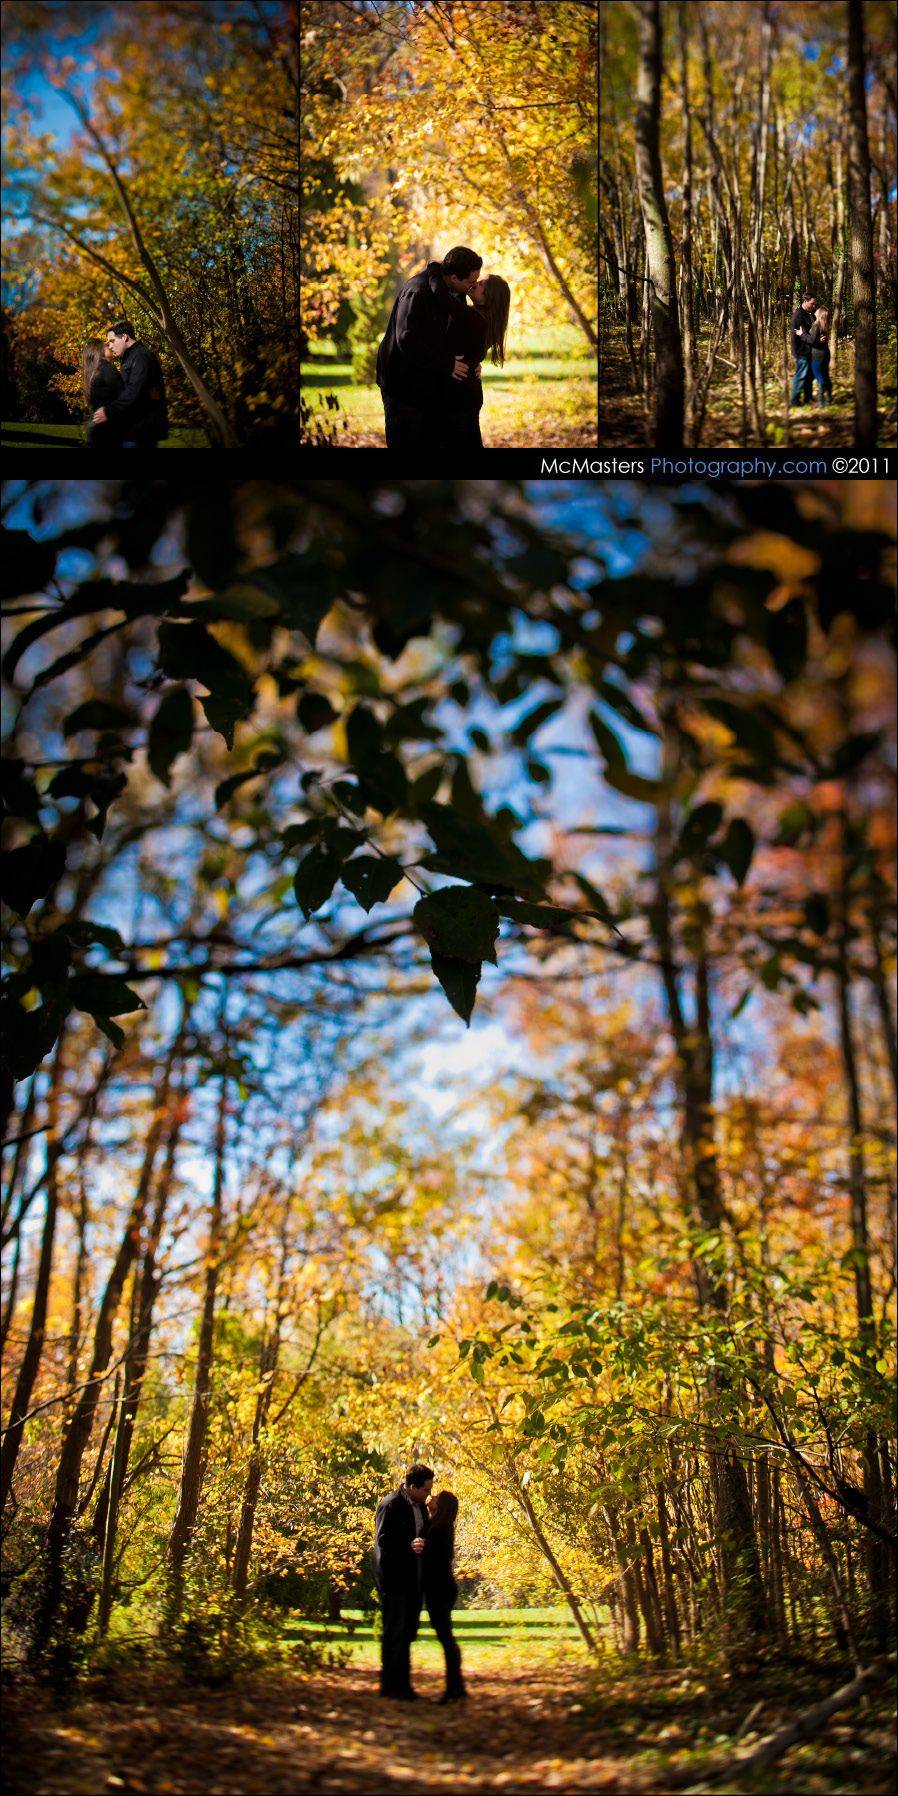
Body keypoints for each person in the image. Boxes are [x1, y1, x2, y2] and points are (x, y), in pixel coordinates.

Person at [375, 248, 482, 451]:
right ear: (453, 277)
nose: (473, 286)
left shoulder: (456, 292)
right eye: (470, 282)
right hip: (401, 382)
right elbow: (406, 339)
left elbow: (458, 333)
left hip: (428, 381)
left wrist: (473, 362)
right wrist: (446, 363)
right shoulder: (417, 291)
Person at [372, 1464, 434, 1700]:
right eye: (425, 1490)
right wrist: (410, 1546)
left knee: (408, 1631)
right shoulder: (391, 1505)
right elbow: (383, 1542)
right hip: (393, 1579)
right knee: (393, 1633)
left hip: (412, 1580)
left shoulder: (419, 1506)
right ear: (411, 1486)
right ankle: (389, 1687)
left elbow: (423, 1534)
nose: (428, 1494)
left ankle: (404, 1686)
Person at [439, 274, 511, 453]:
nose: (475, 284)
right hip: (469, 390)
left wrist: (433, 271)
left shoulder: (471, 317)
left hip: (459, 393)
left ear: (489, 297)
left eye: (481, 284)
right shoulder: (489, 323)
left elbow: (441, 296)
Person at [92, 319, 168, 448]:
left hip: (142, 430)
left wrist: (108, 411)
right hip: (134, 429)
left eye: (112, 341)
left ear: (125, 337)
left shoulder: (141, 356)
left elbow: (134, 391)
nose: (109, 346)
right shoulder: (129, 357)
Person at [423, 1489, 466, 1703]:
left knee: (446, 1637)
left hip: (439, 1589)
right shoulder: (439, 1526)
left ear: (442, 1506)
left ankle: (455, 1688)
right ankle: (455, 1687)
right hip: (441, 1588)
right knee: (446, 1636)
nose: (432, 1499)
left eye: (436, 1498)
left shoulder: (438, 1529)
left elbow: (434, 1561)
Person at [83, 338, 123, 449]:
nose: (110, 346)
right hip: (109, 430)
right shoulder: (107, 369)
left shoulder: (92, 371)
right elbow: (123, 398)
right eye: (106, 345)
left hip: (97, 428)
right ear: (99, 350)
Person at [790, 293, 816, 405]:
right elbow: (799, 335)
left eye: (815, 304)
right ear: (805, 301)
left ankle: (808, 398)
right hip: (801, 351)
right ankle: (795, 401)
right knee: (800, 375)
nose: (814, 306)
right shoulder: (798, 315)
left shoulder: (811, 314)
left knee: (809, 376)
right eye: (812, 303)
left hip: (810, 350)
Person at [808, 306, 832, 408]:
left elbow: (813, 341)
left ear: (820, 314)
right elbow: (818, 340)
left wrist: (802, 334)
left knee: (819, 377)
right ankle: (829, 398)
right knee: (825, 376)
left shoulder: (816, 326)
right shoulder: (824, 326)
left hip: (817, 355)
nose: (816, 310)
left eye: (818, 310)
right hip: (825, 353)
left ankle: (821, 402)